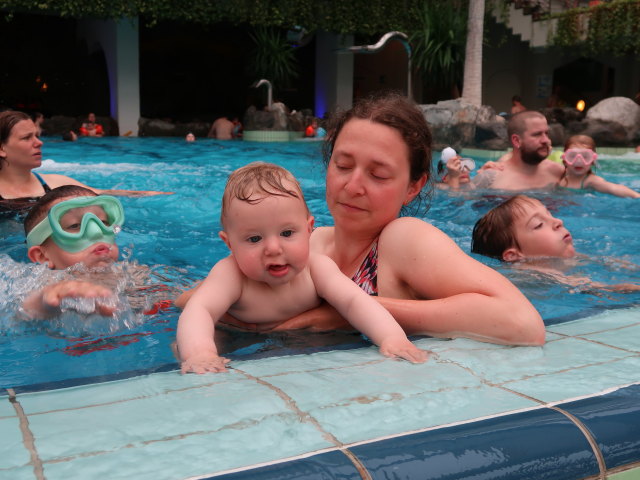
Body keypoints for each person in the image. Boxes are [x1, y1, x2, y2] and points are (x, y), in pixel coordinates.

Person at [177, 93, 544, 346]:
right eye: (343, 165)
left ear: (414, 186)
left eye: (378, 175)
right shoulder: (309, 244)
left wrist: (343, 312)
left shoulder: (402, 240)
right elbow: (204, 297)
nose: (353, 186)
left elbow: (523, 323)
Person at [176, 162, 427, 374]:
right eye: (254, 239)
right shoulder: (231, 274)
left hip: (301, 341)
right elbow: (201, 310)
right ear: (229, 244)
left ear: (309, 230)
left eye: (287, 233)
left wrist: (391, 337)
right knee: (182, 347)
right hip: (234, 338)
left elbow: (354, 301)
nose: (273, 248)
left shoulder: (316, 268)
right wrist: (200, 353)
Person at [20, 185, 174, 319]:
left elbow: (177, 297)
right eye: (74, 225)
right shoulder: (39, 284)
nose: (96, 232)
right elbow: (26, 311)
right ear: (42, 256)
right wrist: (48, 299)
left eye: (104, 222)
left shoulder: (133, 274)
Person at [0, 111, 171, 216]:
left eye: (37, 136)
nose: (39, 143)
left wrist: (160, 194)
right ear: (2, 148)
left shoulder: (54, 184)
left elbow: (106, 193)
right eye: (26, 138)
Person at [470, 195, 640, 292]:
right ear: (514, 256)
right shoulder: (532, 272)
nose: (557, 221)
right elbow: (592, 288)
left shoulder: (560, 257)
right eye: (538, 224)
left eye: (550, 214)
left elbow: (604, 262)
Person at [473, 111, 564, 191]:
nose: (545, 140)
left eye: (546, 133)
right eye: (537, 134)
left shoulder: (558, 171)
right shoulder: (492, 179)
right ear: (516, 140)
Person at [559, 135, 640, 198]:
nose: (579, 161)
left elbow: (614, 188)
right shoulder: (559, 174)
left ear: (593, 160)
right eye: (572, 156)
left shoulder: (591, 181)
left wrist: (637, 196)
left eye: (586, 156)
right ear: (564, 158)